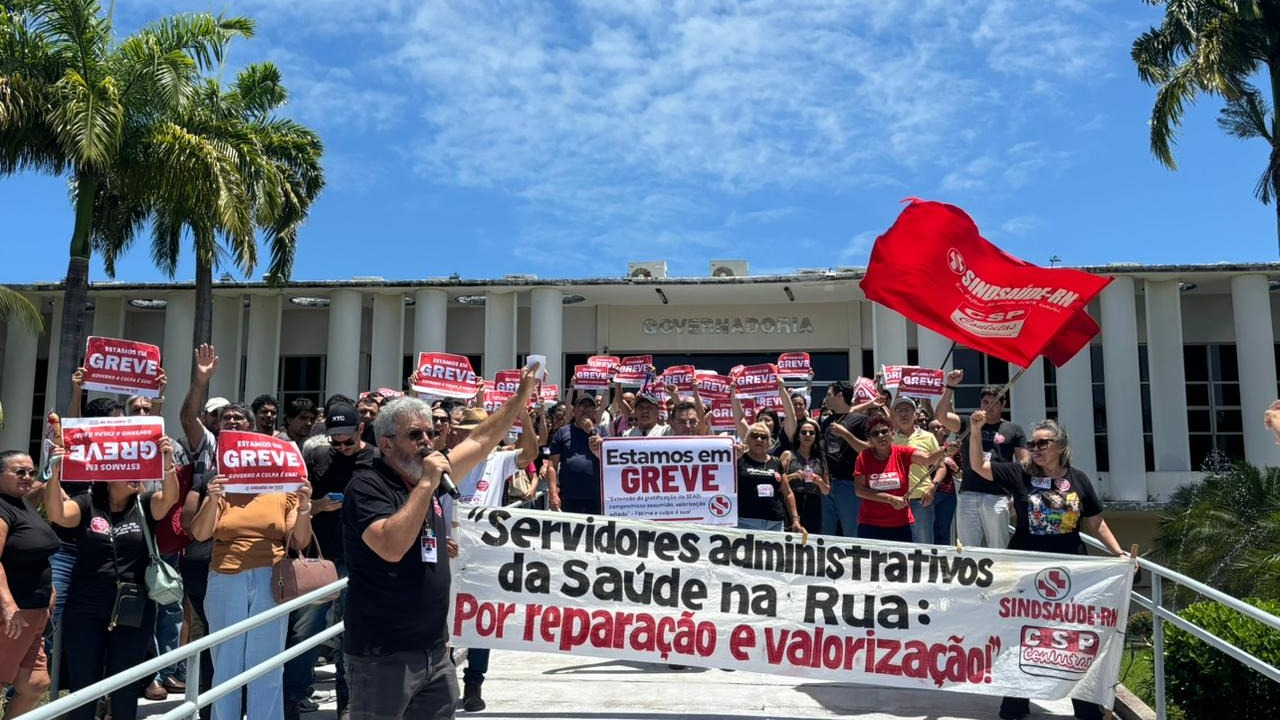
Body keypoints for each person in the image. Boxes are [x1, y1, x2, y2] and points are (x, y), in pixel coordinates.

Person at [342, 367, 537, 720]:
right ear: (385, 443)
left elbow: (480, 441)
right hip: (383, 655)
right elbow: (391, 546)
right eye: (414, 435)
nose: (427, 443)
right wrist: (427, 484)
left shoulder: (429, 476)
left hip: (434, 651)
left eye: (431, 433)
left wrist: (521, 397)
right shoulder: (367, 486)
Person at [967, 411, 1127, 720]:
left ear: (1061, 445)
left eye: (1043, 443)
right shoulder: (1020, 473)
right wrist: (975, 431)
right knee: (1021, 635)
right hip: (1026, 570)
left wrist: (1119, 553)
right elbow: (978, 467)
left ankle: (1085, 704)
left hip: (1073, 572)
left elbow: (1095, 522)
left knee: (1074, 636)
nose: (1036, 448)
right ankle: (1014, 702)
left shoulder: (1078, 478)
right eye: (1032, 443)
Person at [45, 436, 180, 720]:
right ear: (108, 476)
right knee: (83, 687)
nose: (137, 475)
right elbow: (58, 513)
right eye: (128, 470)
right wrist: (55, 470)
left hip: (134, 608)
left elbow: (169, 498)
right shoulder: (86, 504)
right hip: (86, 607)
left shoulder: (144, 504)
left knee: (125, 687)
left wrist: (167, 464)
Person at [282, 403, 376, 720]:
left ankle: (347, 702)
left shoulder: (376, 459)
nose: (340, 447)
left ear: (360, 431)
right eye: (334, 442)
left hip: (361, 558)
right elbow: (299, 503)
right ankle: (292, 697)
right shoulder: (318, 457)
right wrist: (319, 505)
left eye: (347, 441)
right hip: (320, 559)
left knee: (349, 633)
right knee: (305, 630)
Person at [443, 405, 538, 713]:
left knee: (480, 621)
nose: (476, 436)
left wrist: (523, 417)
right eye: (469, 431)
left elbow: (531, 452)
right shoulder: (446, 461)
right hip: (448, 553)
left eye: (482, 430)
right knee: (443, 620)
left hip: (483, 555)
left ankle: (473, 683)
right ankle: (443, 681)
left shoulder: (498, 460)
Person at [937, 374, 1028, 549]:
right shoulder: (968, 422)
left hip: (998, 495)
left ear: (1004, 405)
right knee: (965, 549)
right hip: (968, 493)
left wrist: (1018, 496)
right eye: (986, 402)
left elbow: (1024, 465)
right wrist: (949, 387)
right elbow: (941, 416)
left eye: (995, 403)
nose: (990, 407)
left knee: (999, 548)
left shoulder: (1013, 429)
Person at [0, 449, 59, 717]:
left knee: (36, 684)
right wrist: (9, 605)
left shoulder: (22, 503)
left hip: (35, 612)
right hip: (13, 615)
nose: (27, 476)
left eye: (31, 472)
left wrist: (50, 589)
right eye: (19, 471)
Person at [853, 415, 953, 542]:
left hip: (900, 524)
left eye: (884, 431)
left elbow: (927, 458)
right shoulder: (863, 457)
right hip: (870, 524)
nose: (881, 436)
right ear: (870, 439)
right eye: (875, 433)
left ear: (892, 434)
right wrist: (889, 499)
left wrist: (945, 450)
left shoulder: (903, 453)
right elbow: (859, 490)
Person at [817, 381, 870, 537]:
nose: (826, 399)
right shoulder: (827, 421)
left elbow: (868, 449)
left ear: (840, 396)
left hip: (849, 484)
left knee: (851, 531)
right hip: (827, 483)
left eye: (829, 395)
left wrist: (846, 434)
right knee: (826, 533)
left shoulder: (860, 419)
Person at [890, 397, 940, 544]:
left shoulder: (928, 437)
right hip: (896, 500)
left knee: (923, 545)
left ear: (915, 414)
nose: (903, 414)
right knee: (898, 545)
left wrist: (933, 486)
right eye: (899, 411)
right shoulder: (889, 438)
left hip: (921, 500)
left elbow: (941, 466)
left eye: (907, 410)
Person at [737, 422, 802, 533]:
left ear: (768, 442)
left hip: (775, 523)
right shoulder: (739, 460)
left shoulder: (776, 462)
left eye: (763, 437)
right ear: (747, 439)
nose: (759, 439)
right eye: (754, 436)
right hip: (746, 522)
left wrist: (795, 519)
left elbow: (787, 492)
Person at [547, 395, 604, 515]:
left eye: (589, 408)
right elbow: (552, 465)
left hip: (597, 496)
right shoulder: (562, 432)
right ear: (573, 411)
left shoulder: (602, 431)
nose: (585, 411)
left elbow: (607, 457)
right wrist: (553, 493)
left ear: (594, 412)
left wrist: (591, 431)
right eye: (582, 407)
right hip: (569, 496)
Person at [778, 417, 829, 533]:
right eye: (804, 432)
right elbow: (777, 481)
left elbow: (826, 490)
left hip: (813, 504)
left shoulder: (820, 459)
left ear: (815, 437)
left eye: (811, 433)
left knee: (811, 542)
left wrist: (819, 482)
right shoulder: (788, 455)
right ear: (798, 435)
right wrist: (793, 476)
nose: (807, 435)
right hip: (792, 501)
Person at [925, 419, 960, 544]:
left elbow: (961, 475)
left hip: (947, 494)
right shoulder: (923, 447)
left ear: (944, 430)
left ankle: (942, 561)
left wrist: (955, 468)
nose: (935, 430)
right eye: (932, 428)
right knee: (927, 531)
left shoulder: (952, 448)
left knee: (943, 532)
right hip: (927, 493)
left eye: (939, 427)